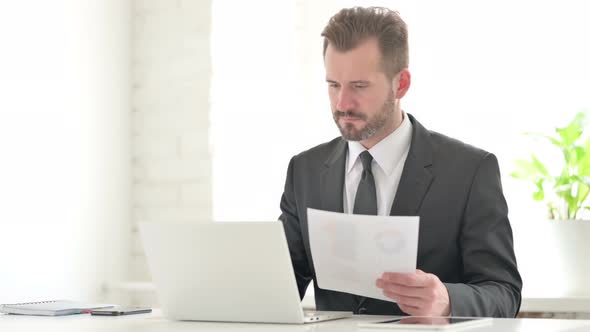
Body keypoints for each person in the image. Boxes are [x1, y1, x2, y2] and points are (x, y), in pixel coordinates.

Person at [278, 7, 522, 317]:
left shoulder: (470, 171)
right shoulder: (304, 170)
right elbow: (281, 285)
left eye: (359, 86)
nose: (342, 103)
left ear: (401, 84)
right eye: (333, 85)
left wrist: (447, 299)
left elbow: (504, 293)